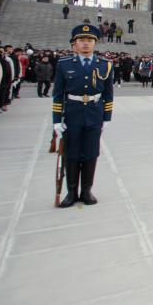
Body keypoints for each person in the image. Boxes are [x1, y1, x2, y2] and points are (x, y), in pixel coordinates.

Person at [52, 24, 114, 207]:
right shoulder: (64, 64)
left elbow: (108, 94)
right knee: (71, 153)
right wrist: (56, 121)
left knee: (91, 152)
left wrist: (107, 117)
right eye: (82, 40)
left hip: (95, 113)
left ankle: (86, 190)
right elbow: (58, 94)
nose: (86, 43)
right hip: (73, 113)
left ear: (95, 43)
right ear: (74, 44)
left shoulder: (105, 65)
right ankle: (71, 192)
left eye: (90, 40)